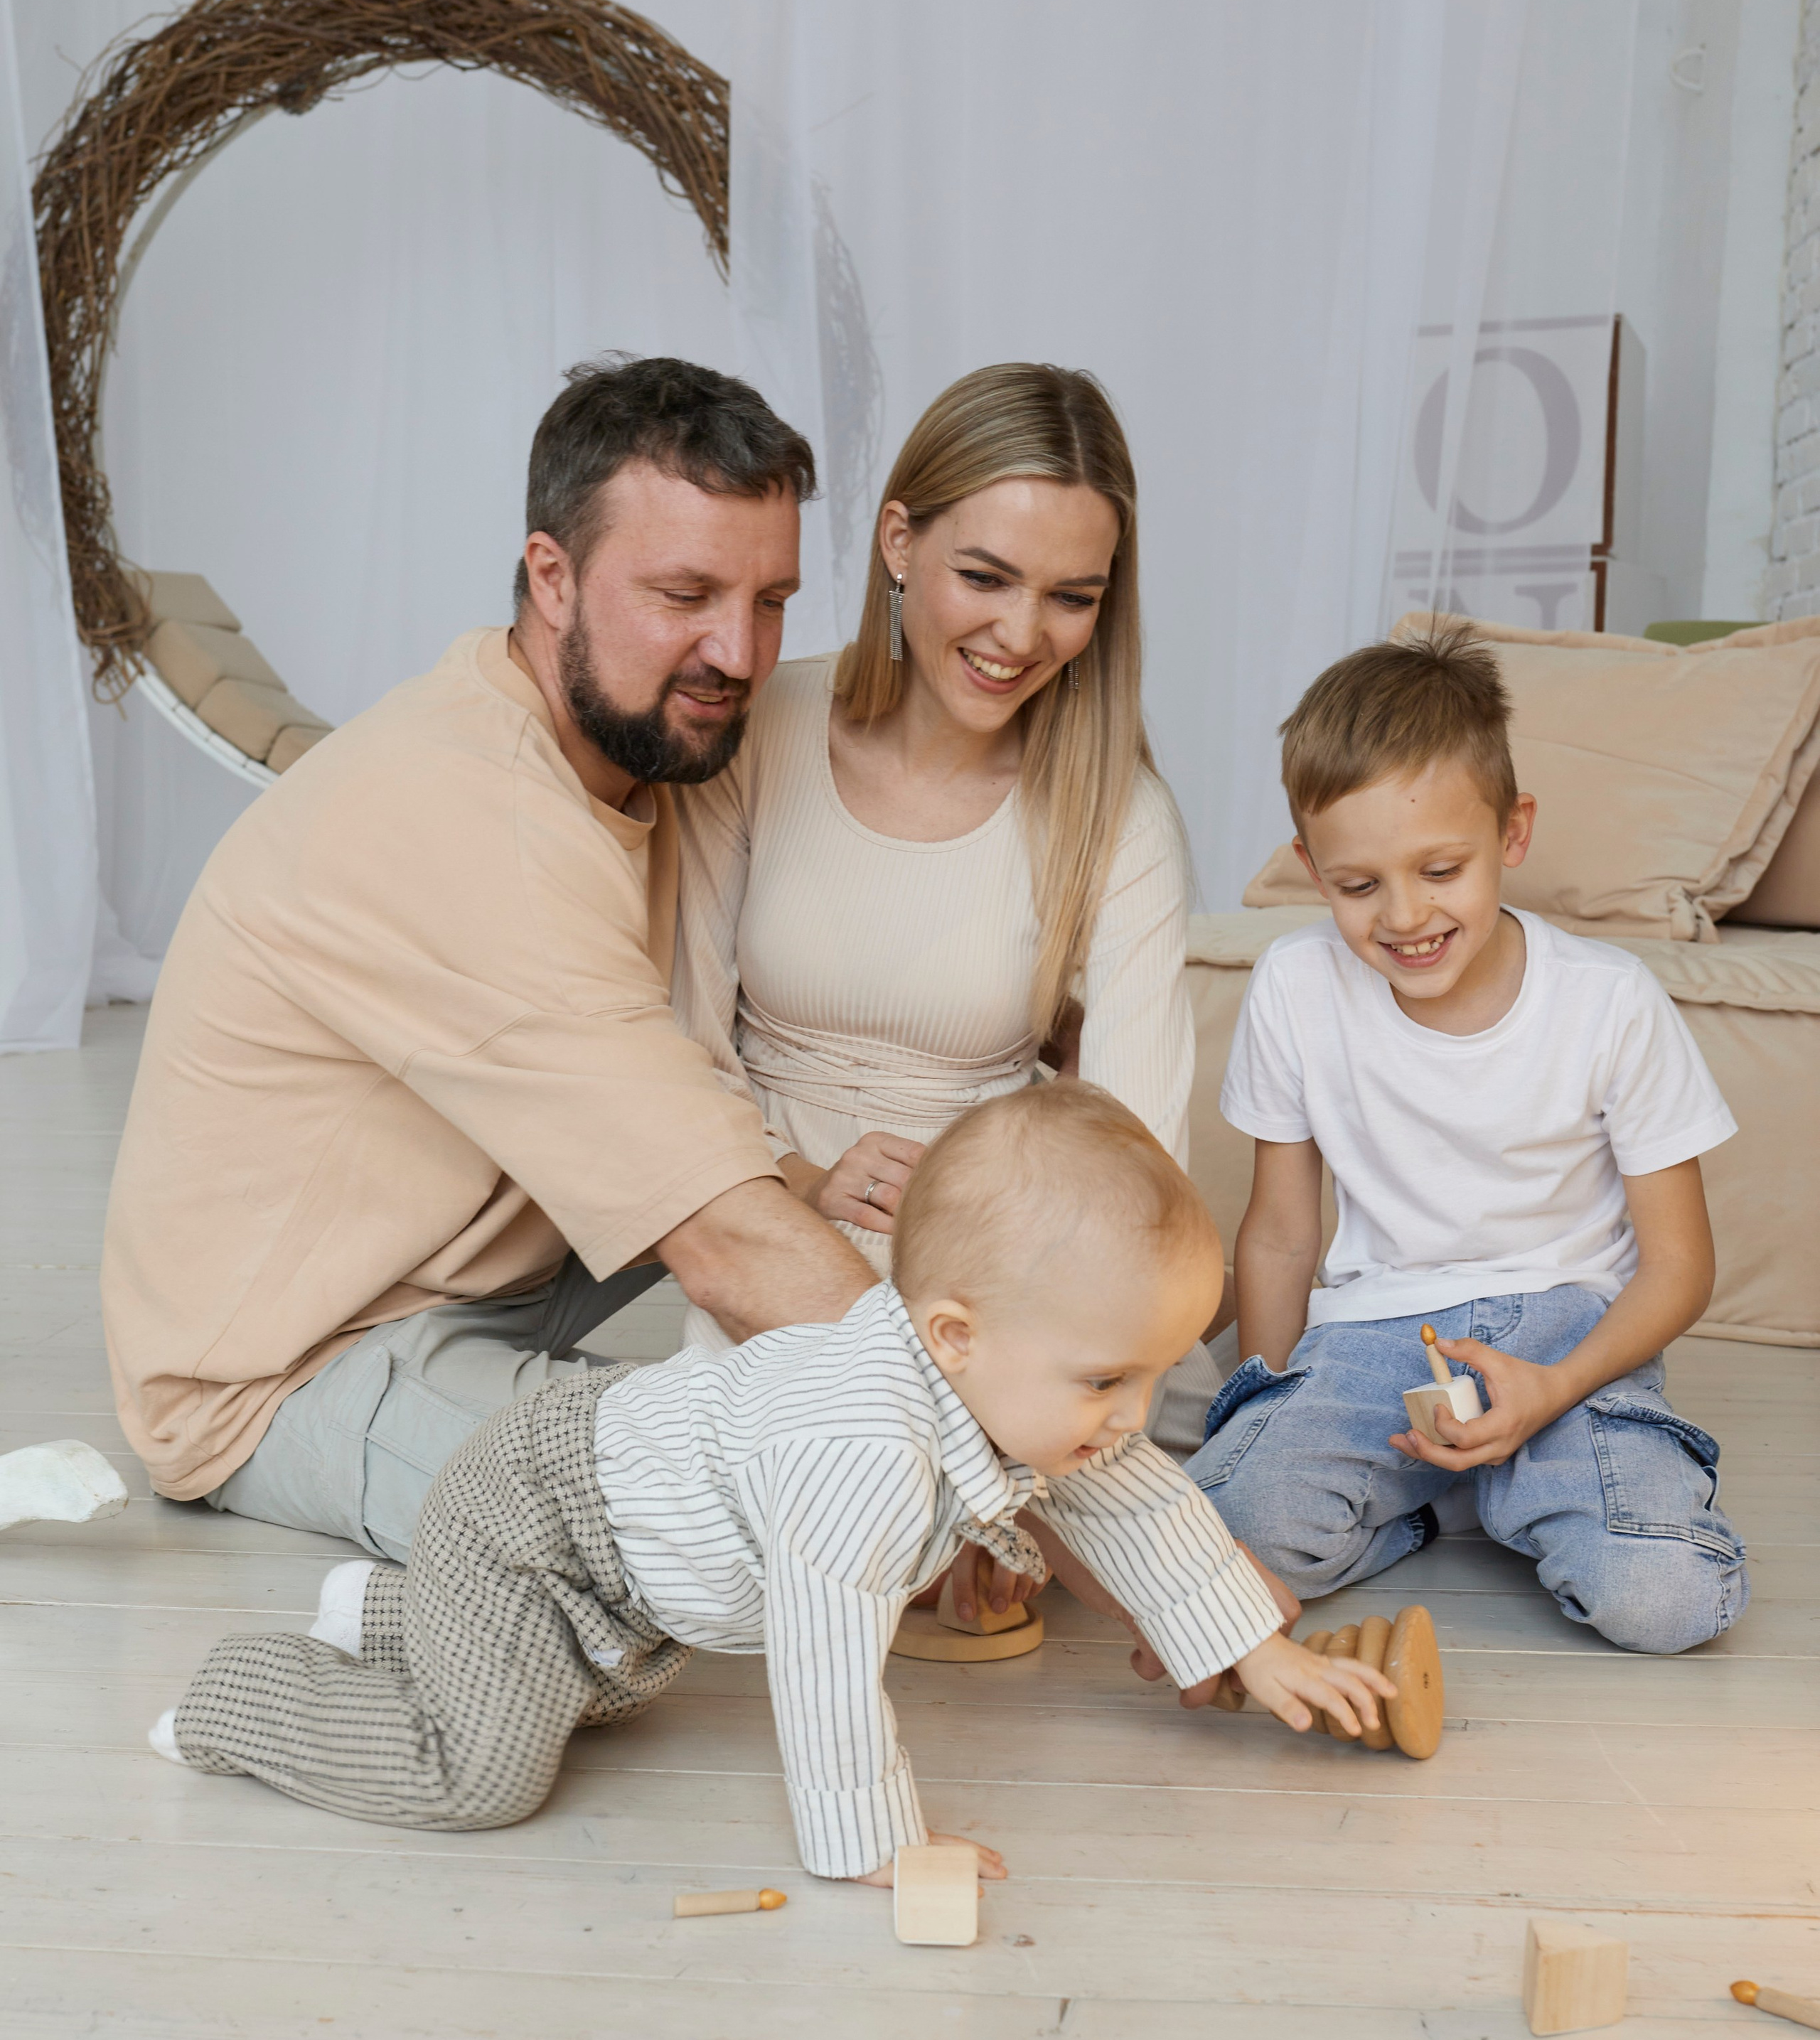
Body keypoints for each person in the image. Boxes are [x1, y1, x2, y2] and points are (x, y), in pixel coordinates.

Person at [150, 1083, 1394, 1873]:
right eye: (1108, 1383)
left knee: (614, 1691)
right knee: (482, 1776)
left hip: (621, 1575)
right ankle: (244, 1695)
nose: (1132, 1420)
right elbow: (823, 1664)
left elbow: (1132, 1498)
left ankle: (395, 1618)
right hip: (538, 1520)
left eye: (1153, 1378)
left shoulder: (1005, 1387)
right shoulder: (861, 1459)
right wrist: (877, 1847)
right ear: (955, 1334)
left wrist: (1253, 1649)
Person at [102, 358, 877, 1566]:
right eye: (685, 594)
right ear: (551, 578)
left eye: (771, 599)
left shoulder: (631, 742)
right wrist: (1032, 1472)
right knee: (706, 1539)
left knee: (849, 1254)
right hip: (291, 1362)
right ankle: (330, 1665)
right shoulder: (474, 815)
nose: (739, 652)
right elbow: (723, 1243)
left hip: (487, 1256)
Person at [669, 365, 1211, 1609]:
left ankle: (1095, 1542)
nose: (1023, 636)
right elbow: (679, 1037)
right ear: (899, 540)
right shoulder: (763, 724)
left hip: (994, 1249)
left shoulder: (1119, 809)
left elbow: (1133, 1155)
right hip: (761, 1207)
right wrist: (793, 1180)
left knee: (1036, 1456)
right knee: (773, 1521)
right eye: (987, 577)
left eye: (1072, 598)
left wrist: (1033, 1342)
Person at [1187, 620, 1748, 1655]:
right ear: (1312, 868)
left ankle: (1515, 1481)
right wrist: (1263, 1414)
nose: (1404, 917)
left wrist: (1554, 1392)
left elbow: (1679, 1267)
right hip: (1371, 1342)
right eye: (1359, 886)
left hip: (1572, 1342)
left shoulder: (1610, 1002)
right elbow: (1277, 1236)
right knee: (1212, 1535)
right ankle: (1440, 1499)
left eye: (1441, 869)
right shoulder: (1296, 988)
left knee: (1668, 1601)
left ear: (1513, 832)